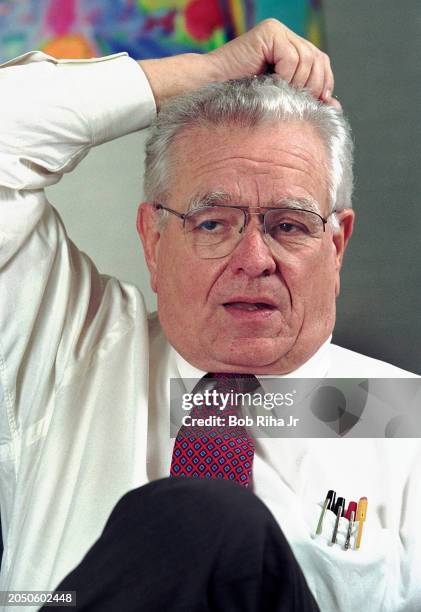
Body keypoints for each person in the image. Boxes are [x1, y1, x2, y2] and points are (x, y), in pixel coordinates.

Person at [0, 17, 420, 612]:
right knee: (198, 515)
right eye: (212, 223)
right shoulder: (66, 357)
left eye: (289, 225)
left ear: (336, 245)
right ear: (152, 240)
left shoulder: (407, 419)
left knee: (214, 521)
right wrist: (204, 71)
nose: (254, 260)